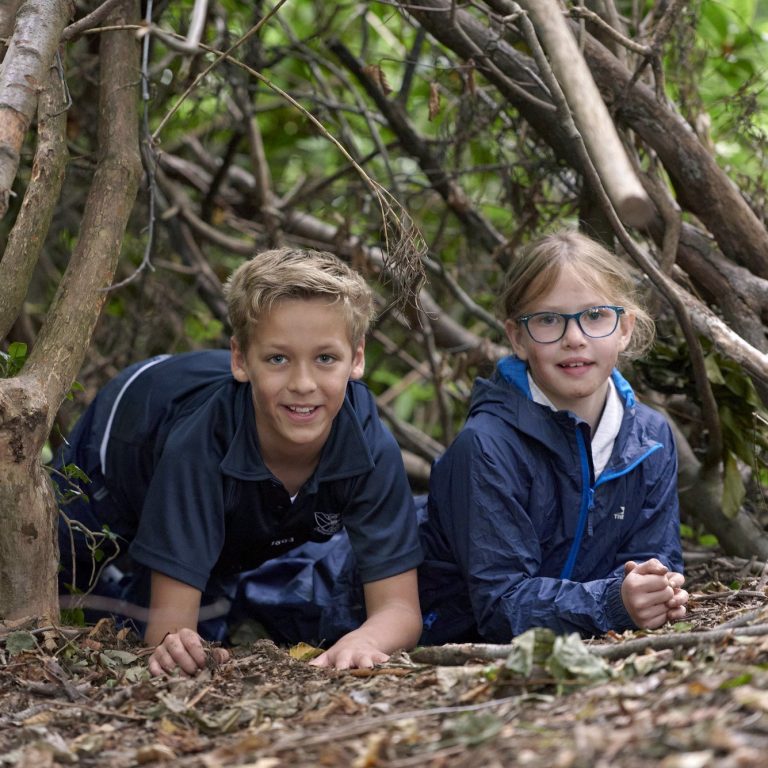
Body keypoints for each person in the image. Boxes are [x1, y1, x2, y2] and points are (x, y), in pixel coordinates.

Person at [54, 247, 423, 676]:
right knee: (58, 584)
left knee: (201, 629)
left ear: (356, 359)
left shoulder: (370, 448)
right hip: (121, 450)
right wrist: (172, 638)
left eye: (325, 358)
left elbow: (400, 608)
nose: (303, 384)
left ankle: (141, 583)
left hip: (236, 513)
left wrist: (365, 638)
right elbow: (168, 634)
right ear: (241, 360)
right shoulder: (198, 447)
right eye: (277, 359)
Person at [417, 229, 689, 643]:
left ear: (625, 328)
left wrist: (652, 591)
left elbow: (654, 561)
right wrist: (612, 602)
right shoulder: (486, 446)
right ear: (518, 338)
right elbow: (498, 605)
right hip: (380, 613)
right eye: (548, 320)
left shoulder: (650, 439)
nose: (574, 338)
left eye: (595, 315)